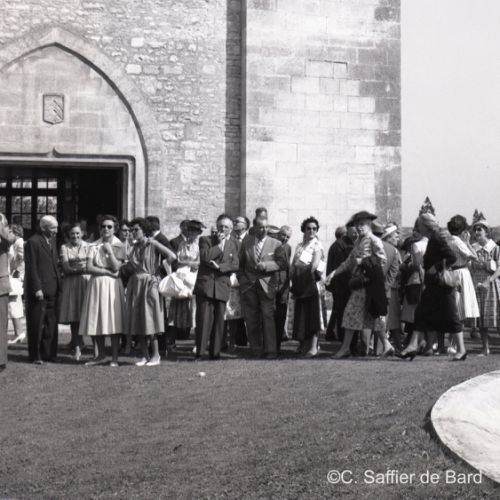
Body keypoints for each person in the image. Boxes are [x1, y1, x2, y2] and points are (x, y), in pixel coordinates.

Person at [398, 213, 467, 361]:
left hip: (441, 286)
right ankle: (412, 346)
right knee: (421, 314)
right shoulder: (434, 238)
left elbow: (452, 257)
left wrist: (436, 267)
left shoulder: (436, 238)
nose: (418, 228)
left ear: (426, 225)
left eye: (419, 225)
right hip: (433, 285)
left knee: (451, 317)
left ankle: (461, 350)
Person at [326, 211, 391, 358]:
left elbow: (382, 260)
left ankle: (346, 348)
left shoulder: (374, 240)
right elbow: (348, 262)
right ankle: (386, 345)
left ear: (369, 224)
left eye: (362, 224)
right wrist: (333, 273)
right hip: (360, 285)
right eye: (357, 224)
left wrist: (363, 262)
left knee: (354, 313)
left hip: (368, 285)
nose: (359, 227)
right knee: (369, 315)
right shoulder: (358, 242)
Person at [126, 218, 176, 366]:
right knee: (138, 319)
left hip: (149, 283)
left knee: (150, 319)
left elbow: (172, 256)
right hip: (136, 284)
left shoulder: (153, 244)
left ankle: (156, 354)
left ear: (144, 230)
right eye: (132, 230)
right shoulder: (134, 247)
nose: (133, 232)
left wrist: (159, 272)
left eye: (136, 229)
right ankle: (145, 355)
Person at [79, 215, 125, 366]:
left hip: (112, 286)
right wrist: (106, 272)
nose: (106, 229)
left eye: (109, 226)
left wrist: (109, 251)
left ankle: (114, 357)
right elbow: (89, 267)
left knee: (114, 319)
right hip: (97, 284)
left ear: (115, 229)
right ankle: (101, 355)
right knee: (97, 318)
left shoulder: (119, 245)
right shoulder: (93, 245)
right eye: (103, 226)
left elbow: (117, 267)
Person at [238, 216, 287, 358]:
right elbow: (240, 265)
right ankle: (256, 349)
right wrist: (242, 280)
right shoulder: (246, 243)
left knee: (268, 317)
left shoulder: (276, 244)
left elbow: (282, 263)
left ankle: (271, 350)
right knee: (251, 318)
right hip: (249, 286)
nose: (264, 229)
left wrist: (266, 265)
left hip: (267, 286)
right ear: (254, 228)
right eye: (261, 227)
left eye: (266, 227)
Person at [194, 214, 239, 360]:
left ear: (231, 229)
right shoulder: (205, 240)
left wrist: (220, 267)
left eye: (226, 227)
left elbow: (235, 265)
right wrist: (219, 246)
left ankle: (215, 353)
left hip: (222, 286)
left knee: (219, 322)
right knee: (203, 320)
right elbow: (205, 257)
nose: (222, 229)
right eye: (220, 226)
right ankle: (200, 353)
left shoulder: (233, 245)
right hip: (206, 285)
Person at [24, 215, 61, 364]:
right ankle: (36, 355)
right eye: (53, 228)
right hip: (39, 290)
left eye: (56, 228)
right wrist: (37, 288)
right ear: (43, 228)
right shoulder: (33, 242)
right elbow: (31, 267)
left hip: (53, 288)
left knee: (51, 324)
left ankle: (50, 354)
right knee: (37, 323)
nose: (56, 231)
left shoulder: (52, 241)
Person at [290, 217, 326, 357]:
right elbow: (294, 264)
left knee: (313, 315)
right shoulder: (300, 246)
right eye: (308, 228)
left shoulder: (317, 245)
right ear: (304, 230)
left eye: (314, 229)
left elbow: (314, 265)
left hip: (311, 284)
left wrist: (300, 268)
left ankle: (314, 346)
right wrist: (293, 276)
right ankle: (303, 344)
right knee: (302, 315)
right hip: (299, 283)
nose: (311, 231)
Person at [446, 215, 479, 352]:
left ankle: (452, 343)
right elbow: (474, 257)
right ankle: (453, 344)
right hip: (461, 273)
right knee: (460, 310)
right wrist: (468, 243)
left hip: (453, 272)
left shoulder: (448, 240)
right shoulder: (458, 242)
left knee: (457, 309)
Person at [59, 223, 91, 361]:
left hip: (85, 282)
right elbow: (66, 268)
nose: (75, 236)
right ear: (69, 235)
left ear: (82, 233)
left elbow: (91, 265)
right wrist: (82, 268)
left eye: (77, 233)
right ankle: (77, 347)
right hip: (71, 284)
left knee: (86, 313)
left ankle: (83, 343)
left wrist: (79, 269)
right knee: (73, 315)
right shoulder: (64, 247)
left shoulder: (89, 246)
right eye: (72, 233)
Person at [168, 220, 203, 341]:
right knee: (178, 306)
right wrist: (188, 263)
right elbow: (177, 261)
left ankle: (197, 341)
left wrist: (190, 264)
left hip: (193, 279)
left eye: (193, 231)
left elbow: (199, 263)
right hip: (181, 277)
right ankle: (176, 338)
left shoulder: (200, 245)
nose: (190, 233)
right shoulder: (182, 244)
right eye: (189, 231)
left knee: (193, 308)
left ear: (198, 233)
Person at [470, 217, 500, 355]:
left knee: (496, 316)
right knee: (481, 318)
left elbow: (499, 268)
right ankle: (485, 347)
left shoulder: (495, 248)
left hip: (492, 284)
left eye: (479, 229)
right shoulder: (473, 248)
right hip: (477, 285)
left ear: (486, 232)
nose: (476, 232)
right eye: (475, 229)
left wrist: (489, 280)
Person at [146, 215, 174, 356]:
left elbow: (171, 257)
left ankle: (161, 346)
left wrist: (159, 272)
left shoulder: (160, 239)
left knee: (159, 314)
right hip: (154, 279)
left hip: (157, 280)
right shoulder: (157, 238)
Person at [325, 222, 357, 345]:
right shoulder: (340, 245)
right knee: (342, 312)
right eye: (353, 231)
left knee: (339, 311)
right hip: (342, 286)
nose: (356, 234)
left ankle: (338, 336)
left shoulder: (341, 244)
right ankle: (343, 339)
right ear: (346, 231)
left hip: (341, 285)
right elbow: (342, 267)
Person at [381, 223, 403, 352]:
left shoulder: (392, 250)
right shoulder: (393, 251)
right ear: (389, 237)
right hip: (391, 287)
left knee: (392, 319)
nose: (398, 238)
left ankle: (396, 345)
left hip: (391, 287)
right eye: (395, 235)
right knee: (390, 319)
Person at [0, 213, 15, 371]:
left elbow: (9, 240)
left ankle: (0, 360)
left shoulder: (6, 236)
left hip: (0, 286)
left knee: (0, 324)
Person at [7, 225, 26, 345]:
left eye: (10, 232)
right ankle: (18, 332)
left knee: (13, 304)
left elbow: (24, 259)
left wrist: (18, 272)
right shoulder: (14, 243)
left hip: (16, 277)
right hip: (13, 276)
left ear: (16, 233)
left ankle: (19, 332)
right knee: (13, 304)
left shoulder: (19, 243)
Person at [275, 225, 292, 348]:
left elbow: (287, 265)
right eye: (283, 235)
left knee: (281, 313)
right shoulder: (273, 245)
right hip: (273, 282)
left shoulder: (288, 247)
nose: (285, 238)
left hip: (284, 284)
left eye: (287, 236)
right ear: (278, 234)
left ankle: (278, 341)